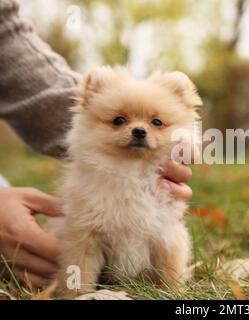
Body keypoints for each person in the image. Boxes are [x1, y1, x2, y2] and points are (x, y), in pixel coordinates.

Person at [0, 0, 193, 287]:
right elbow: (84, 244)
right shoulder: (88, 185)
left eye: (156, 123)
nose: (139, 130)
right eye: (119, 120)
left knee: (168, 238)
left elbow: (7, 41)